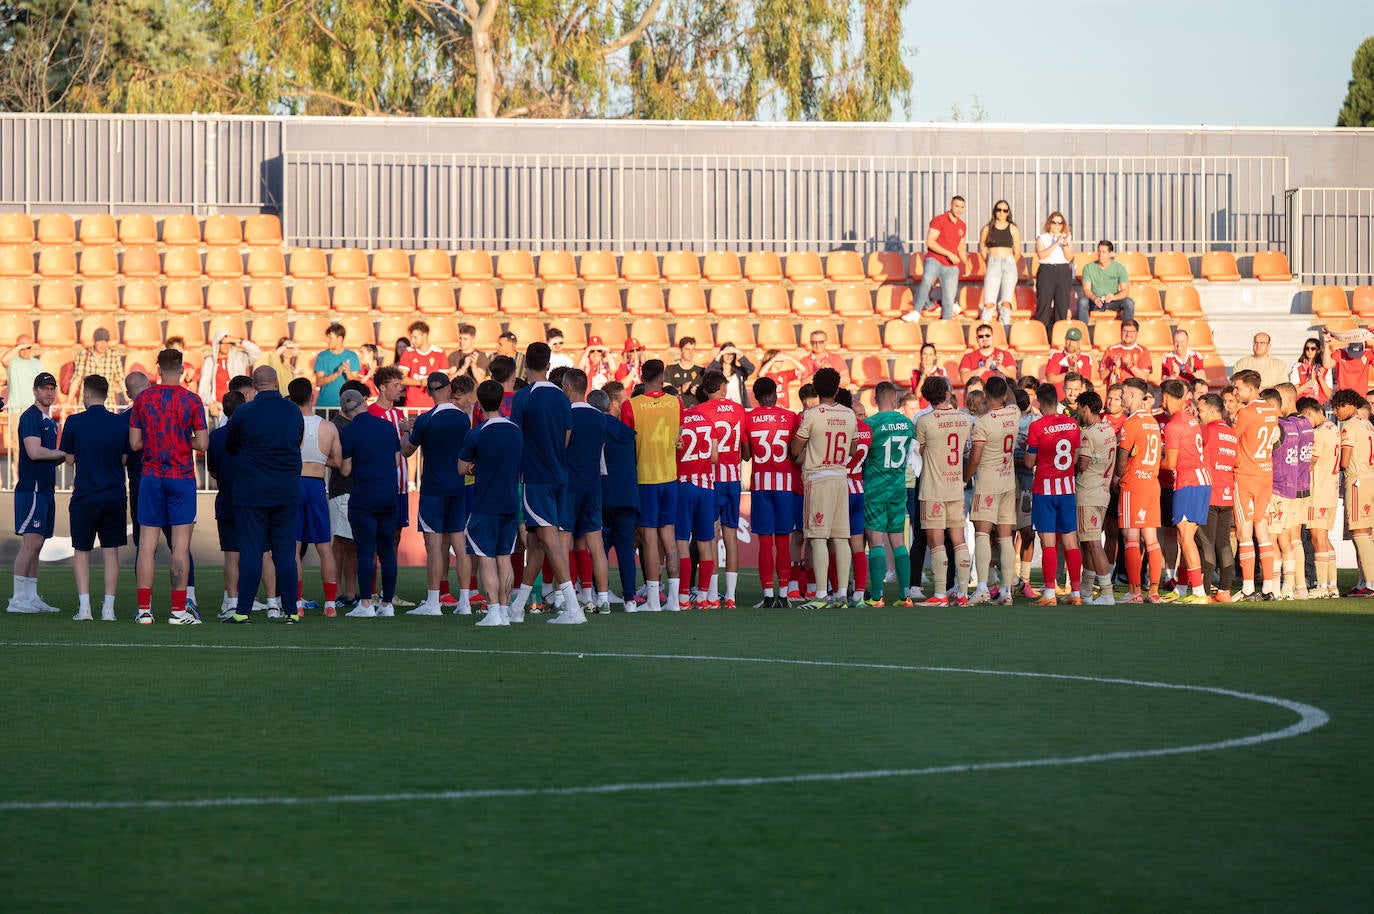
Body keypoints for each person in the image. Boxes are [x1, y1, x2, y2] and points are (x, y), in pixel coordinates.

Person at [129, 349, 208, 624]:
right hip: (181, 476)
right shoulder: (192, 400)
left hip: (151, 476)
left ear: (158, 368)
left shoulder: (144, 399)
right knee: (180, 548)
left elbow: (135, 444)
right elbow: (203, 444)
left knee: (147, 546)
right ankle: (177, 611)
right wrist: (182, 439)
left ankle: (144, 610)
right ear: (183, 368)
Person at [220, 365, 305, 623]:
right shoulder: (292, 411)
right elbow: (298, 440)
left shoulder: (244, 412)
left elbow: (230, 444)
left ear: (254, 386)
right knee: (285, 554)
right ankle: (290, 610)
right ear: (277, 382)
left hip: (251, 493)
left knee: (251, 552)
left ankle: (243, 611)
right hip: (285, 491)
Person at [508, 342, 584, 625]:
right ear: (549, 365)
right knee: (537, 543)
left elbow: (516, 438)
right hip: (559, 474)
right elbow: (566, 437)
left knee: (548, 541)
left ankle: (573, 608)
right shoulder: (562, 398)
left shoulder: (524, 397)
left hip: (536, 477)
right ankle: (517, 608)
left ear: (526, 364)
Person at [59, 374, 129, 621]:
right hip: (114, 495)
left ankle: (85, 608)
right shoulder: (120, 423)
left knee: (82, 551)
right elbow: (124, 459)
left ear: (86, 395)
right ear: (106, 395)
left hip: (85, 495)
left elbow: (68, 458)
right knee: (111, 553)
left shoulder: (74, 422)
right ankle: (108, 609)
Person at [402, 370, 472, 617]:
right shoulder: (464, 419)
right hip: (457, 488)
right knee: (460, 546)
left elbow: (407, 451)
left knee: (434, 546)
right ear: (450, 388)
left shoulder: (425, 420)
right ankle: (464, 600)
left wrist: (405, 430)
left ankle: (434, 602)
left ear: (430, 391)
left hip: (433, 490)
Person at [790, 367, 856, 609]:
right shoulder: (849, 414)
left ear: (816, 390)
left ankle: (820, 594)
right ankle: (841, 594)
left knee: (817, 537)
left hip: (818, 478)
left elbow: (795, 449)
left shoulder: (812, 415)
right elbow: (852, 449)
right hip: (840, 477)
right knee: (840, 537)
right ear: (838, 389)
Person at [460, 380, 524, 626]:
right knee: (504, 557)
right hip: (510, 501)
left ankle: (494, 611)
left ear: (479, 403)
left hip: (485, 503)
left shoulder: (477, 433)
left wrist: (476, 465)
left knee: (486, 558)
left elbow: (461, 467)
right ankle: (505, 612)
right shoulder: (515, 430)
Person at [620, 358, 682, 613]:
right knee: (669, 539)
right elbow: (677, 437)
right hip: (670, 476)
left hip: (645, 478)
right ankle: (676, 601)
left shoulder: (630, 406)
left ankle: (654, 600)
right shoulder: (675, 402)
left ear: (641, 377)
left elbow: (626, 447)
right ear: (662, 376)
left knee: (648, 538)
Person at [338, 387, 403, 618]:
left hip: (364, 496)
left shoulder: (349, 431)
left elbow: (345, 470)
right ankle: (387, 604)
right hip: (388, 494)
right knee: (387, 551)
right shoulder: (386, 426)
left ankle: (366, 603)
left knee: (365, 550)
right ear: (364, 403)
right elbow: (397, 460)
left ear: (345, 410)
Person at [7, 371, 64, 614]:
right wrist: (64, 453)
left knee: (38, 543)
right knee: (31, 542)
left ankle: (30, 596)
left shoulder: (50, 422)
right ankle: (17, 599)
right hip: (32, 489)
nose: (48, 392)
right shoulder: (31, 417)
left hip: (44, 489)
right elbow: (34, 452)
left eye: (52, 388)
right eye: (44, 388)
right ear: (35, 391)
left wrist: (63, 455)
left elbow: (49, 456)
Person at [914, 375, 973, 606]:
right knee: (958, 540)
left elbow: (916, 452)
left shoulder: (924, 421)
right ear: (948, 393)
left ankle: (940, 594)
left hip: (933, 488)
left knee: (936, 541)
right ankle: (962, 593)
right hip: (955, 486)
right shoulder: (964, 419)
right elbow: (966, 448)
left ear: (927, 397)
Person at [1023, 383, 1084, 605]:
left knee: (1048, 542)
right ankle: (1075, 593)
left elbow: (1029, 463)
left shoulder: (1037, 427)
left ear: (1038, 401)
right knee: (1070, 540)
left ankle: (1049, 594)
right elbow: (1075, 458)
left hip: (1045, 489)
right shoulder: (1072, 424)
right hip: (1067, 488)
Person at [859, 382, 918, 606]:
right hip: (898, 487)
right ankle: (905, 596)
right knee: (898, 542)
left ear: (875, 399)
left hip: (875, 489)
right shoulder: (907, 424)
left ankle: (877, 596)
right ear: (895, 400)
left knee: (875, 542)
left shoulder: (869, 424)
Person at [558, 369, 611, 614]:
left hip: (569, 485)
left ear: (568, 387)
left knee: (563, 542)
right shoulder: (600, 417)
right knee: (596, 544)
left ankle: (562, 597)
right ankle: (603, 599)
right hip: (592, 485)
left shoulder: (565, 414)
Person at [743, 377, 799, 607]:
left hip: (761, 485)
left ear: (755, 397)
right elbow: (796, 452)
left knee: (766, 542)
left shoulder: (749, 418)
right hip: (785, 485)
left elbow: (746, 455)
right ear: (775, 395)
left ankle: (767, 596)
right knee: (783, 542)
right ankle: (784, 596)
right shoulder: (790, 417)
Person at [288, 378, 342, 617]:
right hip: (317, 484)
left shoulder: (288, 424)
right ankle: (330, 605)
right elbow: (338, 462)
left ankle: (297, 603)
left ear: (290, 397)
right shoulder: (328, 427)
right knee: (324, 547)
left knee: (294, 547)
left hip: (294, 484)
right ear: (312, 395)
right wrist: (319, 461)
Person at [964, 375, 1019, 605]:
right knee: (1006, 538)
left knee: (982, 534)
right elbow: (1014, 399)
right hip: (1008, 481)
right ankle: (1006, 591)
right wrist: (1007, 384)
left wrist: (965, 479)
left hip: (987, 482)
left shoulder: (983, 423)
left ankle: (983, 588)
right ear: (1005, 395)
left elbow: (975, 458)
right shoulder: (1014, 413)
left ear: (985, 395)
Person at [694, 370, 746, 609]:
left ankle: (713, 595)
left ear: (705, 390)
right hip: (734, 479)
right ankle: (731, 596)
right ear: (724, 388)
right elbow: (745, 447)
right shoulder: (738, 410)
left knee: (711, 536)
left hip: (711, 479)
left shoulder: (700, 411)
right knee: (731, 536)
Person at [1159, 378, 1212, 604]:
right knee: (1184, 537)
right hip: (1201, 480)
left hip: (1188, 481)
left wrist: (1151, 460)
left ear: (1167, 397)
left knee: (1186, 538)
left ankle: (1198, 591)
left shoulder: (1173, 425)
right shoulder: (1191, 420)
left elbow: (1170, 463)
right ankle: (1181, 588)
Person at [1231, 369, 1279, 600]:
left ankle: (1248, 587)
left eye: (1238, 388)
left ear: (1251, 388)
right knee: (1263, 531)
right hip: (1265, 475)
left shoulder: (1245, 413)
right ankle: (1269, 586)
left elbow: (1233, 440)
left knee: (1244, 532)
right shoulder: (1271, 410)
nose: (1235, 392)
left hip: (1246, 477)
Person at [1116, 377, 1164, 603]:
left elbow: (1122, 458)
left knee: (1131, 538)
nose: (1122, 397)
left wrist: (1116, 477)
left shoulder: (1131, 422)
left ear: (1133, 395)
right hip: (1152, 484)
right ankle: (1153, 591)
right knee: (1151, 539)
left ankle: (1134, 592)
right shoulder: (1152, 422)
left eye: (1124, 393)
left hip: (1134, 484)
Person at [674, 388, 720, 610]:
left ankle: (683, 598)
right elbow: (714, 457)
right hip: (706, 487)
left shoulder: (676, 421)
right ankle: (704, 597)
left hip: (683, 484)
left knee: (682, 542)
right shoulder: (706, 420)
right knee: (705, 543)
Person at [594, 388, 639, 608]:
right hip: (628, 497)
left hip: (603, 496)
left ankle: (599, 593)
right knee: (626, 550)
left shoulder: (597, 428)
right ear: (611, 403)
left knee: (598, 549)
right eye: (620, 403)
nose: (622, 407)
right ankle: (630, 599)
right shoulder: (627, 432)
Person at [327, 381, 369, 609]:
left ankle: (349, 592)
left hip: (354, 488)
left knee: (352, 544)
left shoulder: (347, 424)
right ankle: (336, 592)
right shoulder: (337, 426)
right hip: (342, 489)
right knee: (342, 544)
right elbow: (335, 460)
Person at [1073, 391, 1116, 604]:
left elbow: (1082, 464)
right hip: (1103, 491)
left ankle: (1107, 592)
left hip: (1088, 492)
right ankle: (1086, 591)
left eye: (1080, 409)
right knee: (1088, 543)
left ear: (1086, 408)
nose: (1078, 413)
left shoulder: (1087, 434)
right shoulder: (1108, 429)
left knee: (1093, 543)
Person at [207, 390, 246, 619]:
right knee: (258, 553)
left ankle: (232, 602)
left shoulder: (216, 436)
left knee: (231, 556)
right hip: (251, 500)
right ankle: (272, 603)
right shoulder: (252, 434)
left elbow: (212, 469)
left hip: (226, 498)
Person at [1197, 393, 1238, 602]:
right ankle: (1224, 591)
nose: (1198, 414)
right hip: (1227, 495)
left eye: (1201, 410)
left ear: (1213, 411)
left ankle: (1203, 592)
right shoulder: (1231, 434)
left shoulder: (1206, 431)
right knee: (1223, 544)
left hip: (1209, 495)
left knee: (1206, 543)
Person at [1334, 389, 1374, 595]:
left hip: (1357, 479)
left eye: (1339, 406)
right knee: (1367, 533)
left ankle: (1370, 583)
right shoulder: (1368, 424)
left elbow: (1345, 461)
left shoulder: (1349, 426)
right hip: (1371, 477)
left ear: (1350, 404)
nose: (1336, 410)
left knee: (1359, 532)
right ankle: (1362, 581)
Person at [1299, 396, 1340, 597]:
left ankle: (1322, 586)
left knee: (1317, 538)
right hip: (1330, 489)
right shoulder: (1334, 428)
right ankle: (1332, 585)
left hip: (1318, 490)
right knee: (1324, 538)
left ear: (1308, 413)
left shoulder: (1318, 433)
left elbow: (1310, 463)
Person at [905, 194, 968, 321]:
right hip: (935, 260)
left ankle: (946, 328)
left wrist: (966, 264)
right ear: (950, 206)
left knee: (949, 302)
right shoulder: (939, 220)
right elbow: (930, 242)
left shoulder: (962, 225)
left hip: (951, 267)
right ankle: (916, 312)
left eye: (962, 207)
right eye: (956, 206)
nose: (959, 210)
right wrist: (949, 253)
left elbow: (961, 248)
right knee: (927, 279)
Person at [978, 200, 1022, 328]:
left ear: (1008, 212)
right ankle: (984, 332)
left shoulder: (1013, 228)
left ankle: (1004, 332)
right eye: (999, 209)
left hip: (1009, 264)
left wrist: (1011, 263)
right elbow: (982, 246)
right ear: (995, 211)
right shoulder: (987, 228)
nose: (1001, 213)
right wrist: (989, 260)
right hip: (993, 264)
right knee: (989, 303)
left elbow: (1017, 252)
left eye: (1005, 210)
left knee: (1006, 303)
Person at [200, 331, 259, 418]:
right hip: (220, 407)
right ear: (217, 344)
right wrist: (209, 402)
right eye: (223, 343)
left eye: (229, 343)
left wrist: (239, 340)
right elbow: (204, 385)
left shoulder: (239, 357)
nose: (227, 346)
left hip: (240, 405)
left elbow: (256, 352)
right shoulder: (210, 361)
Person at [4, 335, 44, 461]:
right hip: (17, 412)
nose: (26, 350)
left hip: (35, 411)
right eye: (22, 347)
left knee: (37, 447)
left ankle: (35, 478)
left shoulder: (37, 363)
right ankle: (19, 478)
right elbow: (4, 359)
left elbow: (44, 385)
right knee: (19, 447)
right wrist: (20, 346)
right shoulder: (13, 362)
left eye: (28, 347)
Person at [1033, 212, 1075, 331]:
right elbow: (1041, 255)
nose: (1056, 225)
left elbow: (1068, 257)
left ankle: (1059, 335)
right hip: (1047, 271)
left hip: (1062, 271)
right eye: (1054, 222)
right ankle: (1041, 335)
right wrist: (1056, 243)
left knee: (1062, 306)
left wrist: (1065, 244)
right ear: (1049, 223)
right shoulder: (1042, 238)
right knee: (1044, 305)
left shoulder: (1066, 238)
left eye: (1059, 223)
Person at [1077, 240, 1136, 324]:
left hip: (1112, 300)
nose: (1100, 254)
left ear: (1111, 253)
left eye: (1104, 252)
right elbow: (1086, 289)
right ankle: (1083, 331)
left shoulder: (1119, 268)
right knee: (1082, 302)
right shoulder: (1088, 268)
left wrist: (1113, 297)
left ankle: (1126, 329)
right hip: (1095, 301)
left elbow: (1125, 291)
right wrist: (1094, 298)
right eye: (1099, 251)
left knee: (1129, 303)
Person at [66, 327, 125, 407]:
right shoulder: (84, 355)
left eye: (105, 341)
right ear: (94, 341)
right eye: (100, 341)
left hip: (107, 405)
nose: (103, 345)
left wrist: (127, 399)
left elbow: (120, 379)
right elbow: (76, 379)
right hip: (86, 406)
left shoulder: (114, 356)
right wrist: (68, 402)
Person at [397, 320, 447, 411]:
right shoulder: (408, 352)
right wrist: (420, 382)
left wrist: (431, 383)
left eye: (415, 337)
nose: (412, 341)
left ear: (424, 336)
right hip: (412, 407)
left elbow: (444, 381)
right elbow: (401, 378)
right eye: (411, 337)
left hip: (434, 406)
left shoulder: (439, 353)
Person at [1099, 320, 1153, 387]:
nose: (1128, 334)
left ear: (1137, 333)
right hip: (1115, 393)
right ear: (1120, 332)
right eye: (1125, 331)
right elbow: (1102, 376)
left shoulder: (1143, 351)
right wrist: (1114, 367)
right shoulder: (1111, 350)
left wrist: (1131, 366)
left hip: (1134, 392)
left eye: (1131, 332)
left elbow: (1144, 378)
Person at [1324, 330, 1374, 394]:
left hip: (1361, 396)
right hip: (1343, 394)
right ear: (1348, 346)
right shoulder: (1340, 353)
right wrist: (1326, 343)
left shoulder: (1368, 354)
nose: (1354, 357)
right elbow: (1327, 365)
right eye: (1353, 353)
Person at [1045, 328, 1092, 397]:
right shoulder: (1055, 355)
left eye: (1073, 341)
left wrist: (1076, 374)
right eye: (1068, 340)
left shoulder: (1086, 358)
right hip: (1057, 400)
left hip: (1078, 400)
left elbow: (1086, 384)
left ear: (1079, 342)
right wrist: (1067, 374)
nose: (1070, 343)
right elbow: (1050, 379)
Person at [707, 342, 754, 407]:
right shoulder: (716, 372)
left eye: (731, 354)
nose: (729, 356)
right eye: (726, 353)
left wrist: (739, 352)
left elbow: (750, 368)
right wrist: (720, 354)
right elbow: (707, 372)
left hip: (738, 408)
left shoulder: (739, 372)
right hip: (721, 409)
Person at [1290, 337, 1333, 404]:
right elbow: (1294, 392)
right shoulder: (1297, 366)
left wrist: (1321, 379)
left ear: (1318, 350)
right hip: (1302, 405)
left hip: (1320, 406)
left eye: (1313, 349)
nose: (1309, 351)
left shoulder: (1325, 367)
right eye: (1307, 349)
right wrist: (1309, 382)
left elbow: (1329, 394)